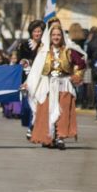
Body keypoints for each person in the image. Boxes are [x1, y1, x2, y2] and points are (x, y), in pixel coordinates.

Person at [26, 22, 86, 150]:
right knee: (46, 111)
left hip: (64, 85)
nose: (56, 37)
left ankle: (60, 137)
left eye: (58, 34)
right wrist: (28, 83)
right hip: (47, 85)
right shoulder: (43, 51)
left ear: (62, 36)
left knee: (63, 112)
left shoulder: (68, 51)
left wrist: (77, 75)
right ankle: (48, 137)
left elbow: (81, 63)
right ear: (50, 36)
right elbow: (36, 69)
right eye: (53, 35)